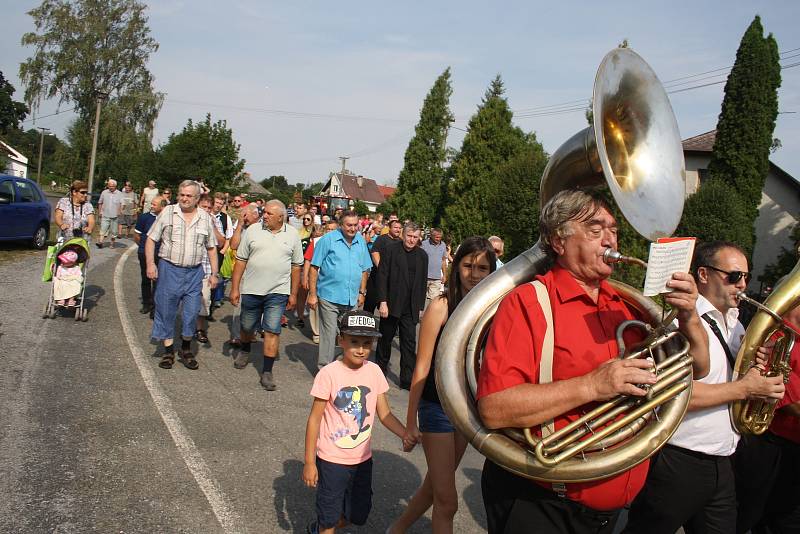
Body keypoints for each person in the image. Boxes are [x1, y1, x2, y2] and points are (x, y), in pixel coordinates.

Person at [476, 189, 710, 534]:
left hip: (609, 513)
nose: (610, 240)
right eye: (595, 230)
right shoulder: (527, 302)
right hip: (542, 504)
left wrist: (689, 314)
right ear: (559, 241)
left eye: (613, 230)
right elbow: (495, 408)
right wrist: (592, 385)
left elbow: (698, 367)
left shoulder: (626, 306)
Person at [625, 240, 786, 534]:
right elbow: (672, 395)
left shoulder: (736, 325)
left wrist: (756, 371)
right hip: (679, 459)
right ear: (703, 275)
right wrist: (745, 389)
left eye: (746, 277)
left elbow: (728, 382)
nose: (743, 285)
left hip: (722, 461)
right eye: (734, 276)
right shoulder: (678, 321)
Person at [389, 237, 496, 534]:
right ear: (455, 266)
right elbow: (421, 367)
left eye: (483, 268)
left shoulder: (491, 310)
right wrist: (410, 422)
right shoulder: (441, 305)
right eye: (468, 265)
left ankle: (396, 529)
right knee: (447, 502)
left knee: (436, 485)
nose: (474, 274)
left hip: (467, 410)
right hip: (436, 408)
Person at [302, 310, 413, 534]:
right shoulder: (329, 374)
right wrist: (309, 462)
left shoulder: (374, 372)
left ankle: (319, 528)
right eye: (354, 341)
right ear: (340, 340)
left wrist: (404, 433)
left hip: (362, 459)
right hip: (331, 459)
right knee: (329, 517)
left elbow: (385, 414)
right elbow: (314, 420)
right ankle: (323, 527)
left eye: (366, 342)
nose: (361, 349)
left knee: (358, 515)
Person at [146, 180, 219, 371]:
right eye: (182, 195)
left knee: (192, 312)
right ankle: (168, 350)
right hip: (169, 269)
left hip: (194, 273)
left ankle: (186, 348)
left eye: (189, 196)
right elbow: (151, 239)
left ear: (197, 198)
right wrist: (150, 264)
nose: (184, 198)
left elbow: (211, 248)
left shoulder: (204, 218)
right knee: (166, 310)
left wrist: (214, 274)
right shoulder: (168, 212)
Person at [230, 199, 303, 391]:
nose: (265, 216)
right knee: (247, 325)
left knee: (272, 329)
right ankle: (245, 349)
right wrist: (235, 288)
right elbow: (240, 261)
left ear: (281, 217)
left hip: (277, 292)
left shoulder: (293, 234)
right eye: (264, 212)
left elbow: (296, 267)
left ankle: (267, 371)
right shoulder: (253, 230)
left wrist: (293, 294)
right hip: (252, 289)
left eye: (269, 214)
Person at [308, 211, 372, 370]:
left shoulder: (360, 241)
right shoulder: (328, 240)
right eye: (349, 225)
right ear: (341, 225)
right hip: (329, 296)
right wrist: (312, 294)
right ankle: (324, 370)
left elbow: (365, 269)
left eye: (355, 225)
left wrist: (362, 292)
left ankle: (345, 368)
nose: (352, 228)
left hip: (351, 298)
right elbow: (314, 267)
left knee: (350, 335)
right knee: (329, 335)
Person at [375, 222, 428, 389]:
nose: (411, 240)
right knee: (385, 340)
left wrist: (420, 307)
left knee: (409, 344)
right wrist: (382, 302)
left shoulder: (422, 256)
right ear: (403, 235)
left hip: (410, 307)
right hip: (391, 304)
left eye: (415, 237)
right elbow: (382, 276)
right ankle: (379, 374)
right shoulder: (391, 250)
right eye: (409, 236)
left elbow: (422, 282)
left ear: (419, 238)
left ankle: (406, 380)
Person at [226, 203, 261, 347]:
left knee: (256, 304)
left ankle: (250, 332)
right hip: (243, 270)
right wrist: (239, 226)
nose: (243, 217)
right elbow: (233, 245)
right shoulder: (242, 227)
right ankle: (236, 336)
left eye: (245, 214)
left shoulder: (262, 229)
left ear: (255, 215)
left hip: (258, 271)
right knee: (239, 303)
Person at [195, 195, 227, 345]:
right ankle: (187, 327)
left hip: (206, 269)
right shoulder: (191, 218)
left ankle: (200, 329)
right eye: (204, 207)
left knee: (204, 300)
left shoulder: (215, 221)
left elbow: (221, 242)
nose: (207, 210)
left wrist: (212, 225)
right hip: (190, 267)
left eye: (209, 207)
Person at [133, 196, 168, 315]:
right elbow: (137, 236)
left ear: (162, 206)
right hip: (144, 253)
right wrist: (143, 247)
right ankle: (146, 303)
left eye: (154, 204)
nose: (151, 206)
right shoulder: (144, 217)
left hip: (161, 254)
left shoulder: (167, 218)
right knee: (146, 278)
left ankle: (155, 305)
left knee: (158, 281)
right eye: (151, 204)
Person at [364, 219, 402, 313]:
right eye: (395, 227)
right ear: (389, 228)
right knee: (369, 307)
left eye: (399, 228)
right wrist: (383, 270)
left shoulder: (401, 242)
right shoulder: (382, 239)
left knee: (387, 309)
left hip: (392, 282)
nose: (398, 230)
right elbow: (374, 253)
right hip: (376, 278)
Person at [420, 228, 448, 308]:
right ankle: (419, 316)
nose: (438, 239)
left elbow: (443, 261)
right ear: (431, 236)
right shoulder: (424, 244)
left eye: (440, 237)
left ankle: (429, 316)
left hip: (436, 278)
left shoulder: (443, 245)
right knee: (421, 298)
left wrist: (444, 275)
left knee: (434, 300)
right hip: (424, 276)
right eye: (436, 237)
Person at [97, 179, 121, 248]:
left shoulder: (119, 193)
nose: (111, 187)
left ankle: (111, 244)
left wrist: (120, 211)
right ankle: (100, 242)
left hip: (115, 215)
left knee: (114, 231)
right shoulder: (104, 192)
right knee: (103, 229)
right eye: (110, 186)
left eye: (112, 186)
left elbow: (122, 203)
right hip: (105, 214)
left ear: (115, 186)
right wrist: (100, 212)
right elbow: (100, 202)